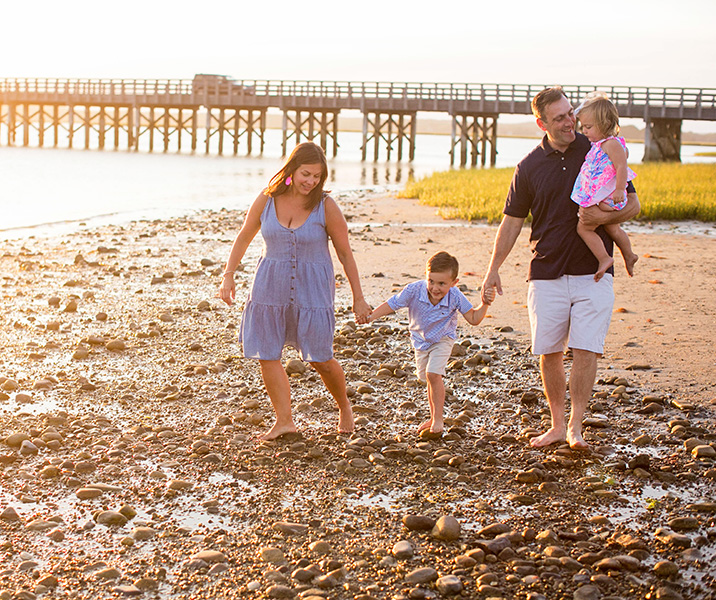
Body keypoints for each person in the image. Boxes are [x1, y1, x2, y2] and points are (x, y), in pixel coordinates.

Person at [482, 86, 640, 451]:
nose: (570, 122)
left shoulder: (596, 148)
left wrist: (601, 215)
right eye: (560, 118)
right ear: (542, 124)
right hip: (546, 271)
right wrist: (493, 269)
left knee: (586, 349)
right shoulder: (528, 167)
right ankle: (555, 424)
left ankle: (576, 427)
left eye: (571, 113)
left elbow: (632, 204)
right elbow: (511, 224)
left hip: (594, 272)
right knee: (549, 351)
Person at [216, 142, 371, 440]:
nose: (311, 181)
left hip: (313, 291)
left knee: (321, 358)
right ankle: (284, 420)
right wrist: (228, 275)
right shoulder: (267, 199)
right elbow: (244, 236)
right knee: (267, 353)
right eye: (306, 174)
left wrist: (358, 297)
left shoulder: (326, 206)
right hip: (268, 287)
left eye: (317, 176)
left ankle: (344, 406)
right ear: (291, 170)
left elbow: (345, 254)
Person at [365, 251, 493, 436]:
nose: (435, 288)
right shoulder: (414, 290)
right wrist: (370, 317)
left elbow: (473, 318)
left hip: (443, 338)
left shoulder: (455, 296)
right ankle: (433, 416)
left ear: (453, 283)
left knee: (433, 374)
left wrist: (485, 303)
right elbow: (392, 304)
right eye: (431, 281)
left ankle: (438, 419)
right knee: (427, 379)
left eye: (442, 283)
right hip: (420, 341)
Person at [571, 91, 639, 281]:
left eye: (588, 127)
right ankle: (629, 255)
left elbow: (621, 166)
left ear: (605, 124)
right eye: (583, 126)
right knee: (613, 228)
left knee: (584, 228)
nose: (584, 131)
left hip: (609, 193)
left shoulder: (611, 144)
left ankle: (604, 258)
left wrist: (619, 190)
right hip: (605, 193)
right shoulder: (599, 143)